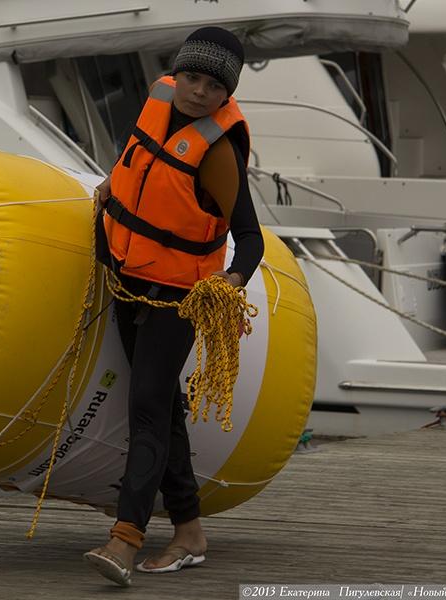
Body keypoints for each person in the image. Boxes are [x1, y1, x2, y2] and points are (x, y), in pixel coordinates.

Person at [83, 26, 264, 586]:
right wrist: (111, 186)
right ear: (176, 73)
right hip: (128, 281)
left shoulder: (218, 150)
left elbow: (250, 236)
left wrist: (231, 280)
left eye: (214, 85)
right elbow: (134, 162)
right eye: (191, 77)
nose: (198, 92)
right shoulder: (158, 100)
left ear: (227, 92)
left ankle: (124, 540)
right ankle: (188, 532)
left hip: (180, 297)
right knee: (160, 406)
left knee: (145, 410)